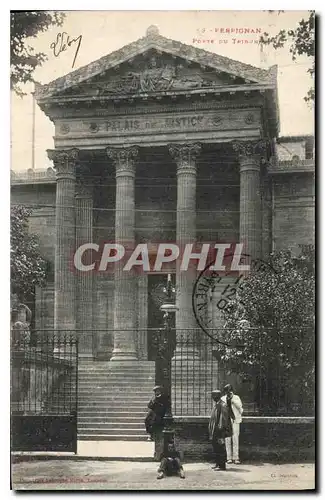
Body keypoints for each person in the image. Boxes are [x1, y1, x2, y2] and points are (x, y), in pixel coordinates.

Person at [208, 389, 233, 471]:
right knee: (216, 448)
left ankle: (222, 466)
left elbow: (224, 420)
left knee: (220, 448)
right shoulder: (218, 404)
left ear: (217, 396)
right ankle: (217, 464)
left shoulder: (223, 405)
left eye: (213, 395)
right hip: (215, 430)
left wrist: (221, 430)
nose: (212, 397)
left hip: (219, 431)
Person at [221, 384, 243, 464]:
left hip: (235, 421)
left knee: (235, 439)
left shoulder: (236, 398)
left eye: (229, 391)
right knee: (227, 439)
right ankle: (229, 458)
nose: (228, 393)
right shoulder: (223, 399)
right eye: (226, 391)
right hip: (226, 421)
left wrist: (233, 401)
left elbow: (241, 409)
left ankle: (236, 458)